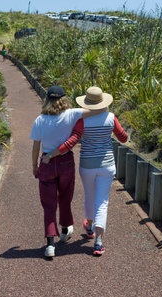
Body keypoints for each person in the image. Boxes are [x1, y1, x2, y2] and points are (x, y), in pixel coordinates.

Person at [43, 86, 128, 256]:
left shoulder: (81, 120)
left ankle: (89, 226)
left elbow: (72, 141)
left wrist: (52, 153)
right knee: (102, 202)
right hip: (107, 165)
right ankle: (98, 241)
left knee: (89, 195)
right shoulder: (111, 117)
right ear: (103, 101)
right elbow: (123, 138)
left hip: (87, 164)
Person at [30, 85, 105, 258]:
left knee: (48, 204)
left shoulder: (40, 120)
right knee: (65, 198)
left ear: (47, 100)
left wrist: (35, 166)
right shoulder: (71, 114)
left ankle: (50, 244)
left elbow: (36, 147)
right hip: (65, 162)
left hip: (47, 162)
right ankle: (64, 231)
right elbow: (95, 109)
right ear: (64, 99)